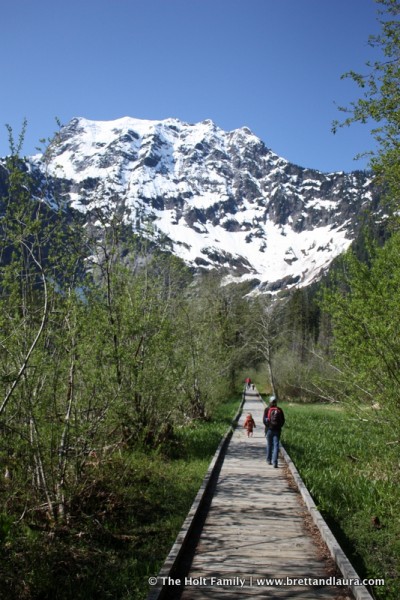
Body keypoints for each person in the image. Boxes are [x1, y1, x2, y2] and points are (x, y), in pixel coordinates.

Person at [263, 396, 285, 468]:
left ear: (270, 402)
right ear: (276, 402)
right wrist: (279, 426)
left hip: (269, 429)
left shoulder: (267, 409)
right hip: (277, 430)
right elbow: (283, 420)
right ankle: (275, 462)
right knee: (276, 446)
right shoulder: (280, 410)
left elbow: (264, 420)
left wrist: (268, 426)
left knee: (269, 444)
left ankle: (268, 460)